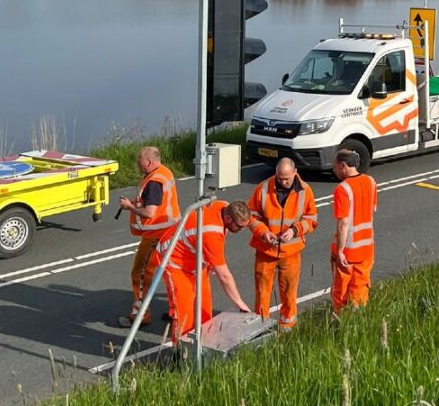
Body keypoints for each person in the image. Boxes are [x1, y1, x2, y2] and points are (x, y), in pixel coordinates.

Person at [153, 199, 253, 344]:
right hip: (174, 262)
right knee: (185, 313)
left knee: (204, 309)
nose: (240, 230)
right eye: (238, 226)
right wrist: (239, 303)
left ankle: (204, 347)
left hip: (195, 260)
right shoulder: (211, 233)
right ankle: (180, 354)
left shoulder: (224, 206)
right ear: (228, 218)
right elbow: (224, 276)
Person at [247, 158, 318, 331]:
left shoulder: (305, 191)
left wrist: (294, 230)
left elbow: (311, 219)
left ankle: (287, 325)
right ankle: (261, 328)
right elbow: (251, 217)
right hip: (266, 250)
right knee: (263, 293)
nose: (284, 182)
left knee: (289, 292)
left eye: (287, 178)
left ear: (295, 173)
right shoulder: (263, 189)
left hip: (291, 252)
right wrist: (264, 233)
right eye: (280, 178)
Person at [117, 146, 180, 327]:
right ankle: (176, 311)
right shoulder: (165, 173)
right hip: (171, 231)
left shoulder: (154, 182)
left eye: (140, 162)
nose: (138, 164)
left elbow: (150, 212)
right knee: (171, 273)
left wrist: (129, 206)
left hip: (156, 235)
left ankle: (140, 315)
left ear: (149, 162)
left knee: (141, 274)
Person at [330, 149, 377, 314]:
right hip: (367, 248)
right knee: (360, 288)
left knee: (340, 292)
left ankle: (340, 324)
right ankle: (360, 321)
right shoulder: (371, 182)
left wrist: (340, 250)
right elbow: (372, 210)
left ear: (343, 166)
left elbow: (343, 223)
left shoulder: (342, 189)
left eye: (334, 167)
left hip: (349, 252)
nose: (334, 170)